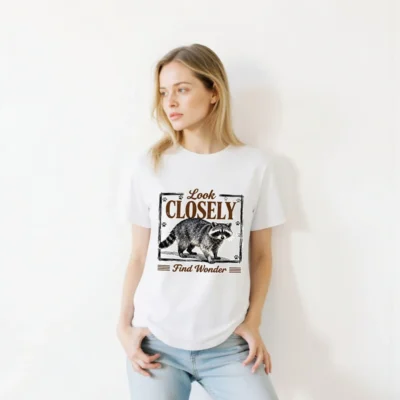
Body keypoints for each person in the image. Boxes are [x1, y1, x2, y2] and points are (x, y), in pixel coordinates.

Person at [116, 43, 286, 400]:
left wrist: (253, 321)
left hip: (228, 345)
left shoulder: (255, 166)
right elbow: (138, 256)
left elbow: (261, 256)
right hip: (156, 342)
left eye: (182, 89)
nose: (170, 102)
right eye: (164, 92)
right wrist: (123, 327)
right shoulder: (149, 165)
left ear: (214, 92)